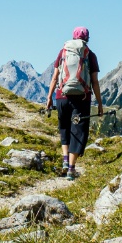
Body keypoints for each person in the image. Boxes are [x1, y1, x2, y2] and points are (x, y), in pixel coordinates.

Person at [45, 26, 102, 179]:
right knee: (78, 131)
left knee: (64, 127)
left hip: (62, 96)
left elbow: (55, 77)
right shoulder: (90, 55)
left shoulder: (63, 52)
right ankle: (71, 169)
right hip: (82, 99)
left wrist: (49, 97)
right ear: (87, 38)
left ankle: (64, 159)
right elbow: (95, 82)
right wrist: (100, 104)